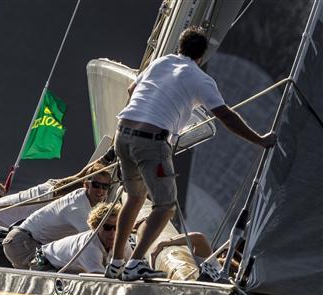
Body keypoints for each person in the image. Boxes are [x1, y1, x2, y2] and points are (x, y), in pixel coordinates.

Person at [106, 27, 276, 281]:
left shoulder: (161, 62)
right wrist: (260, 140)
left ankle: (116, 263)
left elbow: (132, 90)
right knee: (165, 207)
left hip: (124, 134)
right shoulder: (200, 79)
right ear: (202, 56)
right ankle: (135, 264)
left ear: (179, 46)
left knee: (134, 198)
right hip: (152, 142)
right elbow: (226, 116)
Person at [2, 166, 112, 269]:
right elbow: (94, 240)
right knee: (50, 276)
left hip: (33, 243)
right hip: (23, 243)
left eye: (105, 186)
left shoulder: (85, 197)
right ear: (87, 185)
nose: (101, 190)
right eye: (96, 185)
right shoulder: (76, 207)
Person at [37, 203, 127, 273]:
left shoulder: (123, 241)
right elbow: (98, 278)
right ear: (96, 227)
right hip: (47, 263)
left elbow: (129, 266)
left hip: (73, 269)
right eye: (107, 227)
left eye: (117, 228)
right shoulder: (89, 246)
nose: (112, 232)